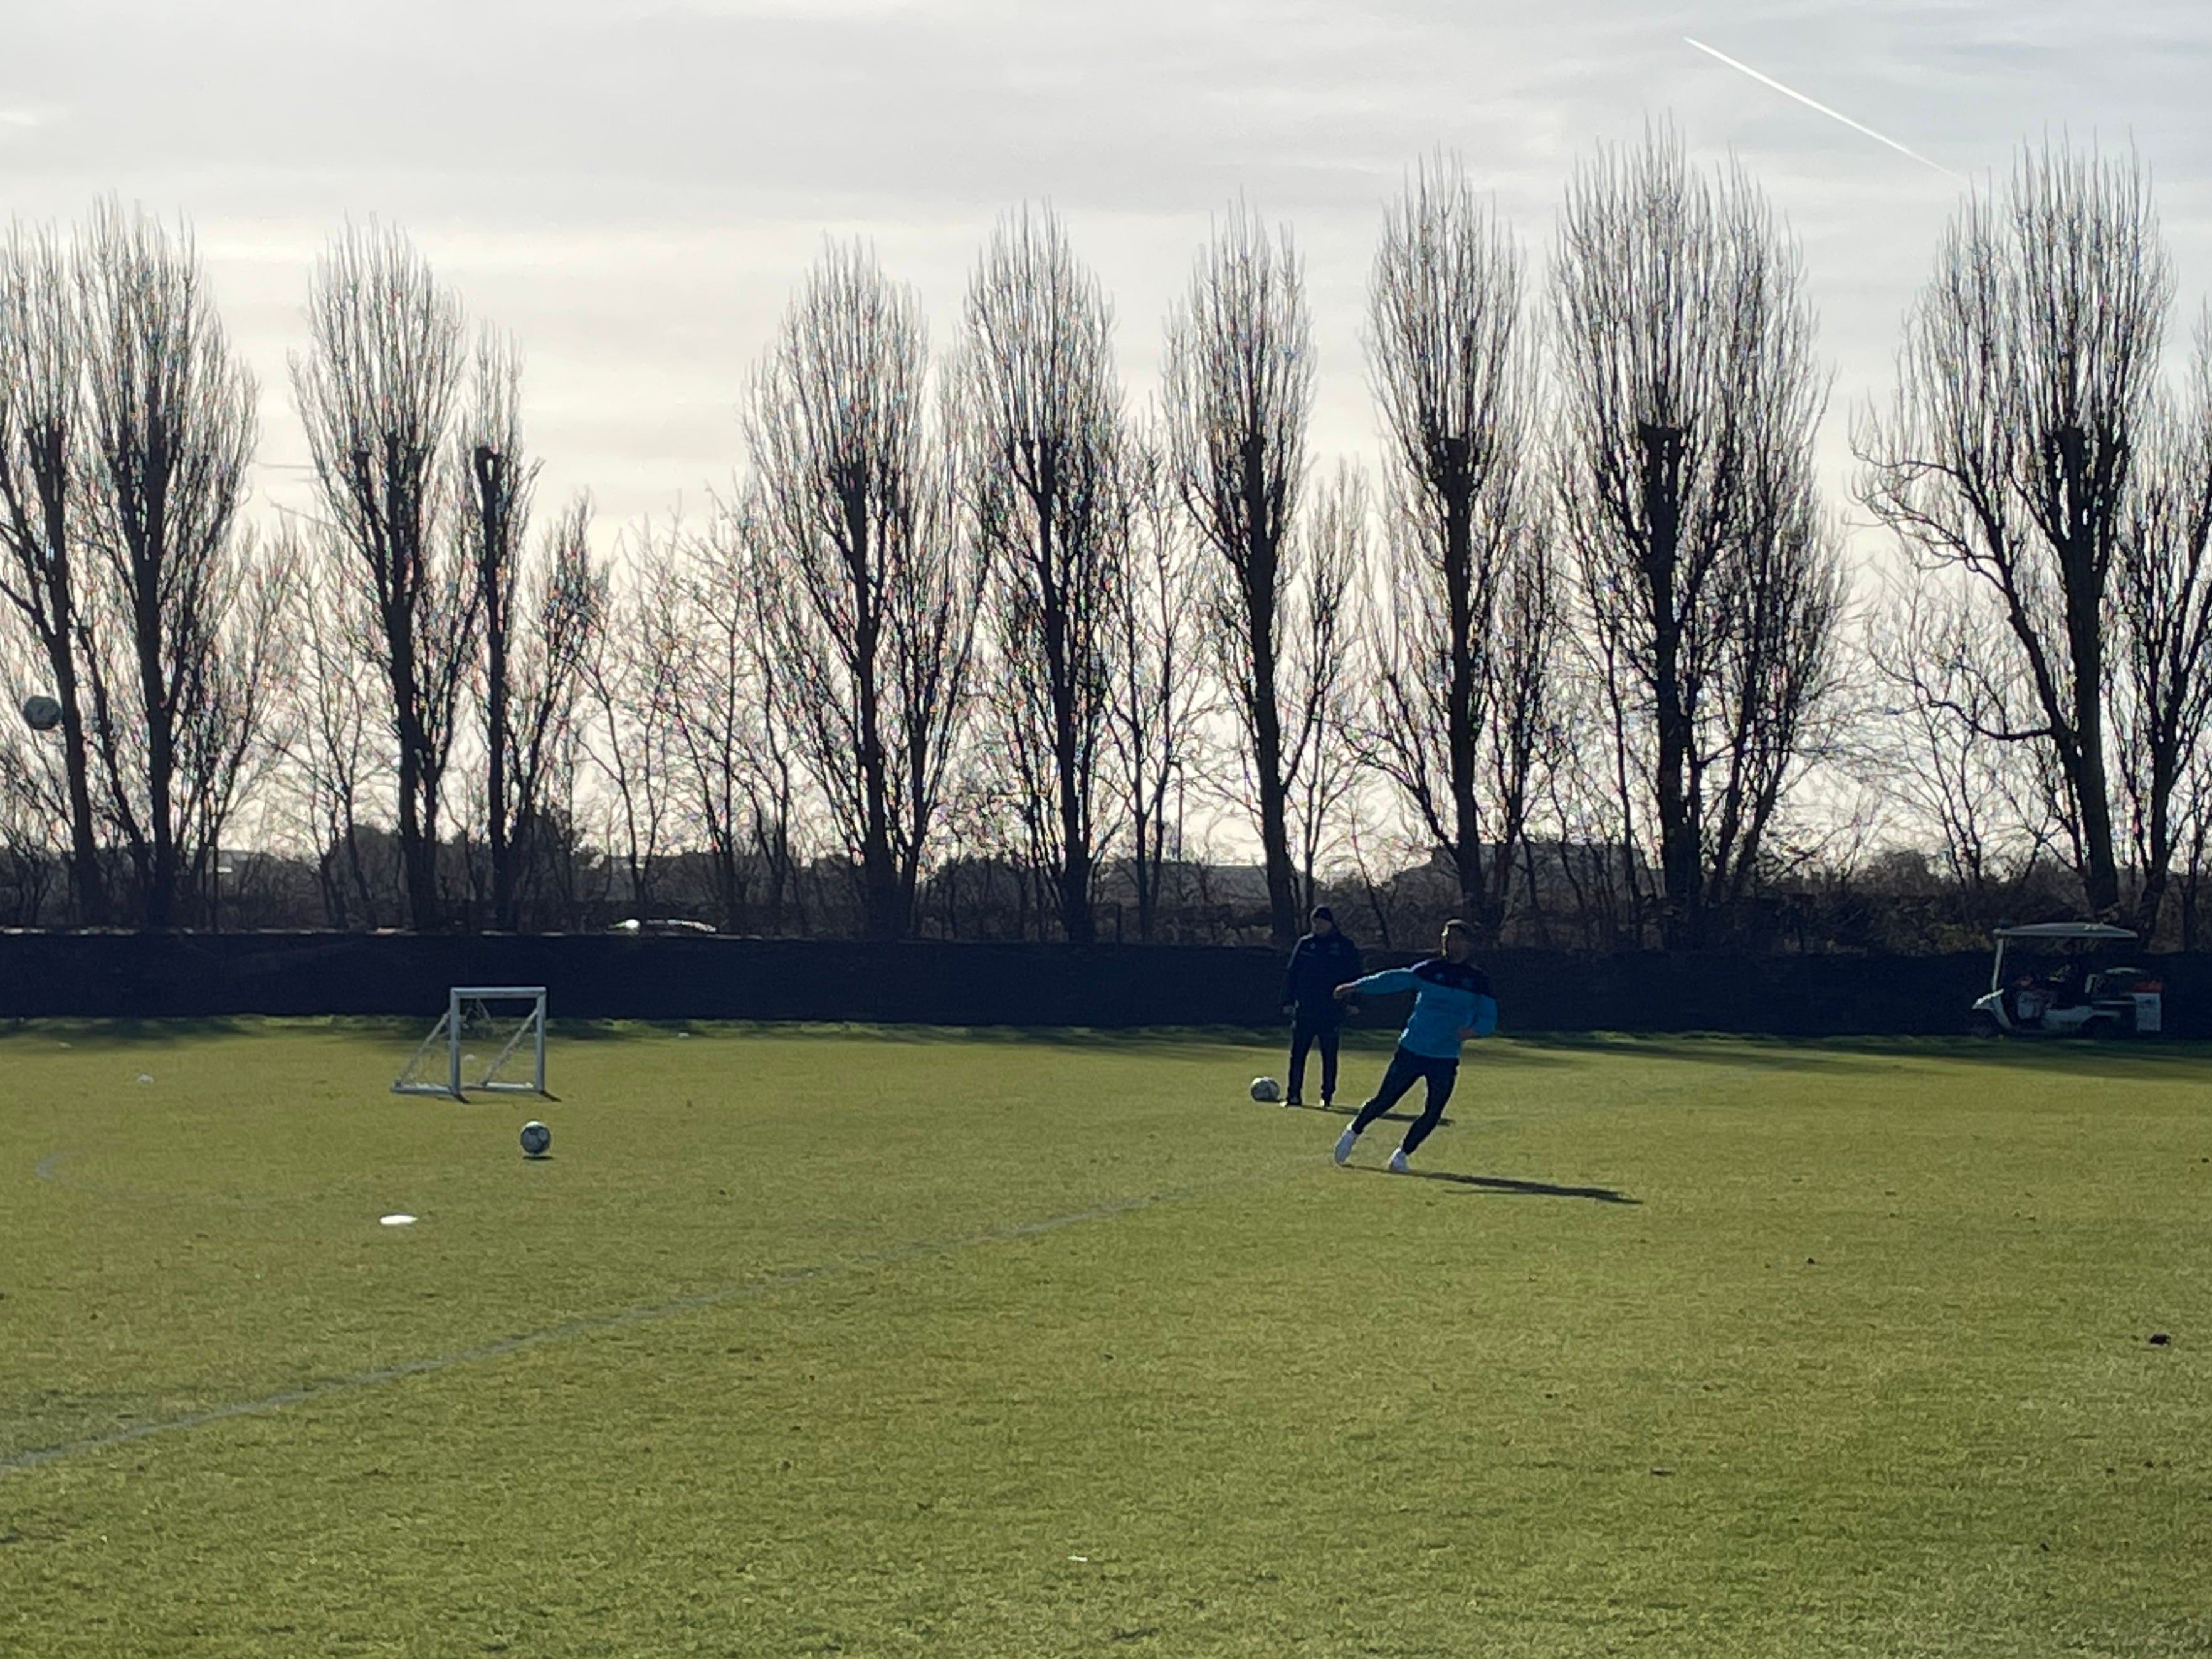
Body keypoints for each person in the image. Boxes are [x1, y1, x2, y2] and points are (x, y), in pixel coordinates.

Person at [1330, 919, 1497, 1172]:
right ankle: (1352, 1132)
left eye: (1455, 938)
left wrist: (1474, 1030)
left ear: (1467, 943)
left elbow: (1489, 1017)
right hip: (1412, 1049)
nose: (1449, 943)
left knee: (1433, 1110)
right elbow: (1393, 980)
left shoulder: (1477, 981)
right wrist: (1356, 986)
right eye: (1446, 938)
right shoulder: (1430, 970)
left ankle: (1402, 1155)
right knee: (1385, 1100)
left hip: (1444, 1055)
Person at [1278, 905, 1361, 1107]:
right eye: (1314, 922)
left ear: (1330, 923)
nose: (1317, 926)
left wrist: (1355, 1003)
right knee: (1297, 1054)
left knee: (1329, 1054)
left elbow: (1356, 976)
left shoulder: (1344, 946)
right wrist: (1287, 1001)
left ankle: (1327, 1096)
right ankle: (1294, 1095)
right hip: (1305, 1008)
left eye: (1321, 922)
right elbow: (1292, 974)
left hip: (1331, 1010)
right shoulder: (1305, 944)